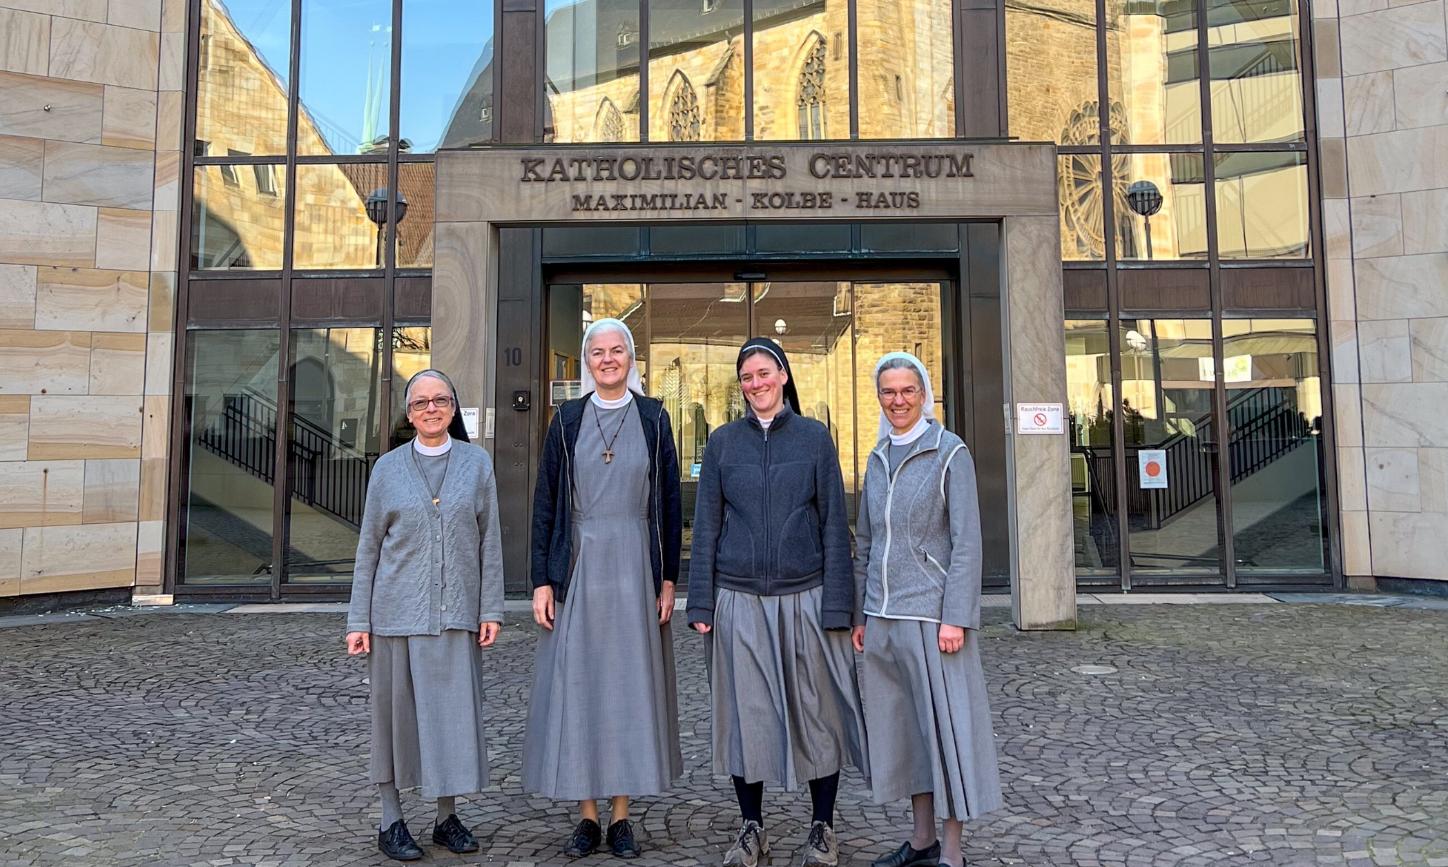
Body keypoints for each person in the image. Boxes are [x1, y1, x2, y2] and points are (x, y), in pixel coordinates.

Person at [686, 337, 868, 867]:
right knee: (746, 717)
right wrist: (701, 604)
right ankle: (752, 827)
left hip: (806, 596)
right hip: (738, 598)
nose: (756, 383)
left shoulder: (814, 439)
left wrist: (839, 606)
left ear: (784, 375)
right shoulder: (722, 443)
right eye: (747, 377)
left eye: (764, 373)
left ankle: (822, 828)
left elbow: (834, 524)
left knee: (818, 713)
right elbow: (707, 525)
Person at [522, 318, 684, 859]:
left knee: (628, 688)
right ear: (587, 361)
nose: (608, 359)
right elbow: (546, 502)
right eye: (598, 352)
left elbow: (668, 503)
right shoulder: (566, 420)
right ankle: (587, 816)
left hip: (635, 565)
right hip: (579, 565)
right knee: (581, 685)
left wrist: (668, 577)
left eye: (617, 351)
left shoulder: (654, 417)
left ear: (630, 358)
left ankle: (621, 816)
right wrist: (541, 580)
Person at [345, 369, 504, 862]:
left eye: (440, 400)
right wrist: (358, 620)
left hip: (456, 615)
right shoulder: (387, 470)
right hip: (394, 616)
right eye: (420, 403)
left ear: (453, 408)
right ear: (409, 414)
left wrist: (491, 608)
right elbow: (368, 548)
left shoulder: (476, 465)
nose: (431, 409)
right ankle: (390, 819)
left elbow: (490, 543)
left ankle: (445, 818)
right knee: (393, 723)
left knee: (450, 720)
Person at [851, 353, 1002, 867]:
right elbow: (866, 542)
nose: (898, 400)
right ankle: (921, 840)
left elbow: (967, 542)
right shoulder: (876, 457)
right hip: (884, 617)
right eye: (889, 391)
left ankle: (952, 852)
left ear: (924, 394)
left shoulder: (949, 452)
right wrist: (862, 613)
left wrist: (955, 616)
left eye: (907, 390)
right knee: (908, 735)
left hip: (934, 619)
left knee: (947, 734)